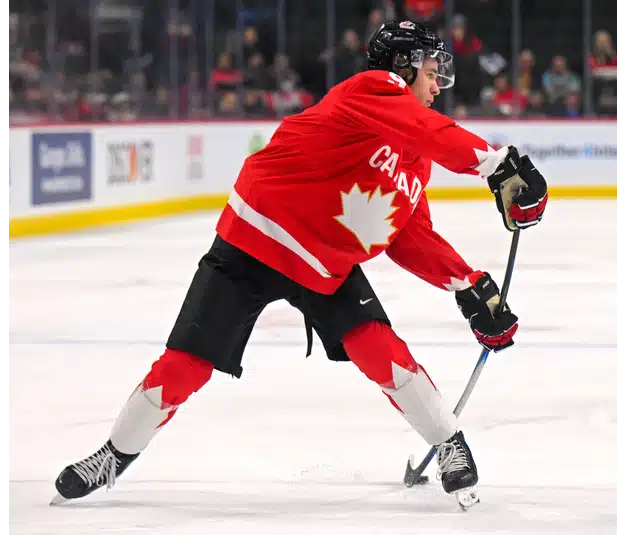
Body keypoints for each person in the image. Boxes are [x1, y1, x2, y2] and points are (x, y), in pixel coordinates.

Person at [51, 21, 548, 506]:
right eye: (432, 70)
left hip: (323, 265)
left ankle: (448, 443)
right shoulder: (371, 89)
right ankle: (112, 457)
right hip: (255, 242)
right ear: (402, 66)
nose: (439, 84)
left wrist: (469, 284)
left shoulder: (414, 156)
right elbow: (430, 129)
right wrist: (498, 163)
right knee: (186, 366)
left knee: (380, 349)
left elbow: (408, 235)